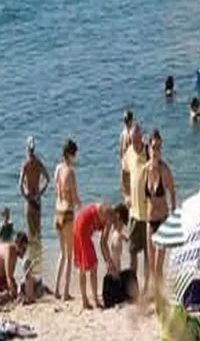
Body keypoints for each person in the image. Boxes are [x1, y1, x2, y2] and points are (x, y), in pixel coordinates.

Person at [72, 202, 129, 310]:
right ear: (118, 216)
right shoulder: (110, 216)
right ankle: (92, 301)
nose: (120, 226)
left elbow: (102, 242)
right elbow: (103, 242)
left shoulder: (109, 213)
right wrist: (109, 262)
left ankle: (88, 300)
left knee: (85, 266)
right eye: (121, 222)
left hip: (79, 226)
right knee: (92, 266)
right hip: (82, 229)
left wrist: (108, 261)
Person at [144, 132, 176, 298]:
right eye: (154, 147)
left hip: (163, 222)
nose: (156, 151)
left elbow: (172, 191)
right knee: (151, 267)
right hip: (150, 222)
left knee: (157, 266)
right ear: (148, 148)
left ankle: (160, 298)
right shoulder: (145, 170)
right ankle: (158, 297)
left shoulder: (165, 170)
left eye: (159, 147)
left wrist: (174, 215)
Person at [120, 124, 149, 295]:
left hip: (147, 213)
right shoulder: (128, 153)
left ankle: (147, 287)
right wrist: (125, 194)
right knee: (132, 251)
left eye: (137, 138)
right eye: (132, 139)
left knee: (147, 254)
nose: (135, 142)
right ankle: (134, 287)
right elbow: (123, 174)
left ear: (141, 137)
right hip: (134, 213)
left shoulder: (147, 151)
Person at [52, 140, 80, 301]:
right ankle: (65, 293)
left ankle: (56, 289)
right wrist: (81, 205)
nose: (75, 157)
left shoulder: (57, 169)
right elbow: (74, 197)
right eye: (74, 154)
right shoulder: (70, 172)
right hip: (68, 213)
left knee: (61, 254)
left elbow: (56, 190)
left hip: (57, 212)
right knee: (69, 255)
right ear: (70, 154)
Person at [18, 136, 48, 255]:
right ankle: (39, 259)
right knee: (38, 232)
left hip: (29, 200)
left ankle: (34, 261)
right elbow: (47, 179)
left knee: (31, 233)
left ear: (26, 148)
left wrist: (25, 196)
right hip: (37, 199)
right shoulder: (38, 163)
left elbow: (20, 184)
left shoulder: (25, 164)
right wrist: (40, 192)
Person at [0, 234, 29, 301]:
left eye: (26, 249)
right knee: (10, 293)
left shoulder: (13, 251)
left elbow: (9, 275)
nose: (25, 252)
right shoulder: (10, 251)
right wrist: (15, 296)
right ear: (18, 245)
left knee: (15, 288)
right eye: (24, 249)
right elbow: (9, 277)